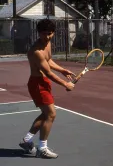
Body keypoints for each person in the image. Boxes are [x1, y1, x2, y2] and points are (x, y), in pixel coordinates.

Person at [19, 19, 75, 159]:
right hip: (37, 84)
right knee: (51, 114)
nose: (47, 37)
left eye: (50, 33)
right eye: (44, 34)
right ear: (39, 33)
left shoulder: (47, 44)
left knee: (46, 114)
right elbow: (48, 72)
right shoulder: (36, 51)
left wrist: (62, 70)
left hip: (42, 83)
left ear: (53, 33)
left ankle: (27, 140)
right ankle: (42, 148)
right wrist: (65, 84)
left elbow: (48, 60)